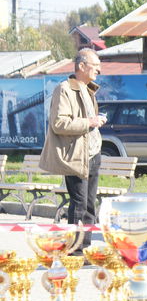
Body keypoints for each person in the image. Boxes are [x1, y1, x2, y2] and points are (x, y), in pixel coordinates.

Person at [39, 48, 107, 251]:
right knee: (79, 205)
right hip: (77, 156)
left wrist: (94, 123)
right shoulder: (64, 89)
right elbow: (59, 123)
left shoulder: (88, 89)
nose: (99, 71)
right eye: (95, 66)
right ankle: (75, 250)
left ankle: (84, 247)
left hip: (93, 155)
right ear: (82, 66)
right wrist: (90, 121)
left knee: (89, 205)